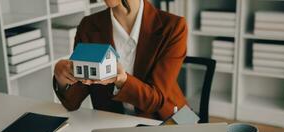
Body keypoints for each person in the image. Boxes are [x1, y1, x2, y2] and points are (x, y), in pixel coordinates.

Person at [53, 0, 188, 120]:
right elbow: (72, 103)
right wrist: (62, 78)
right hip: (113, 120)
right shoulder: (88, 26)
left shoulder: (174, 26)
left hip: (170, 115)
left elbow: (155, 101)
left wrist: (122, 80)